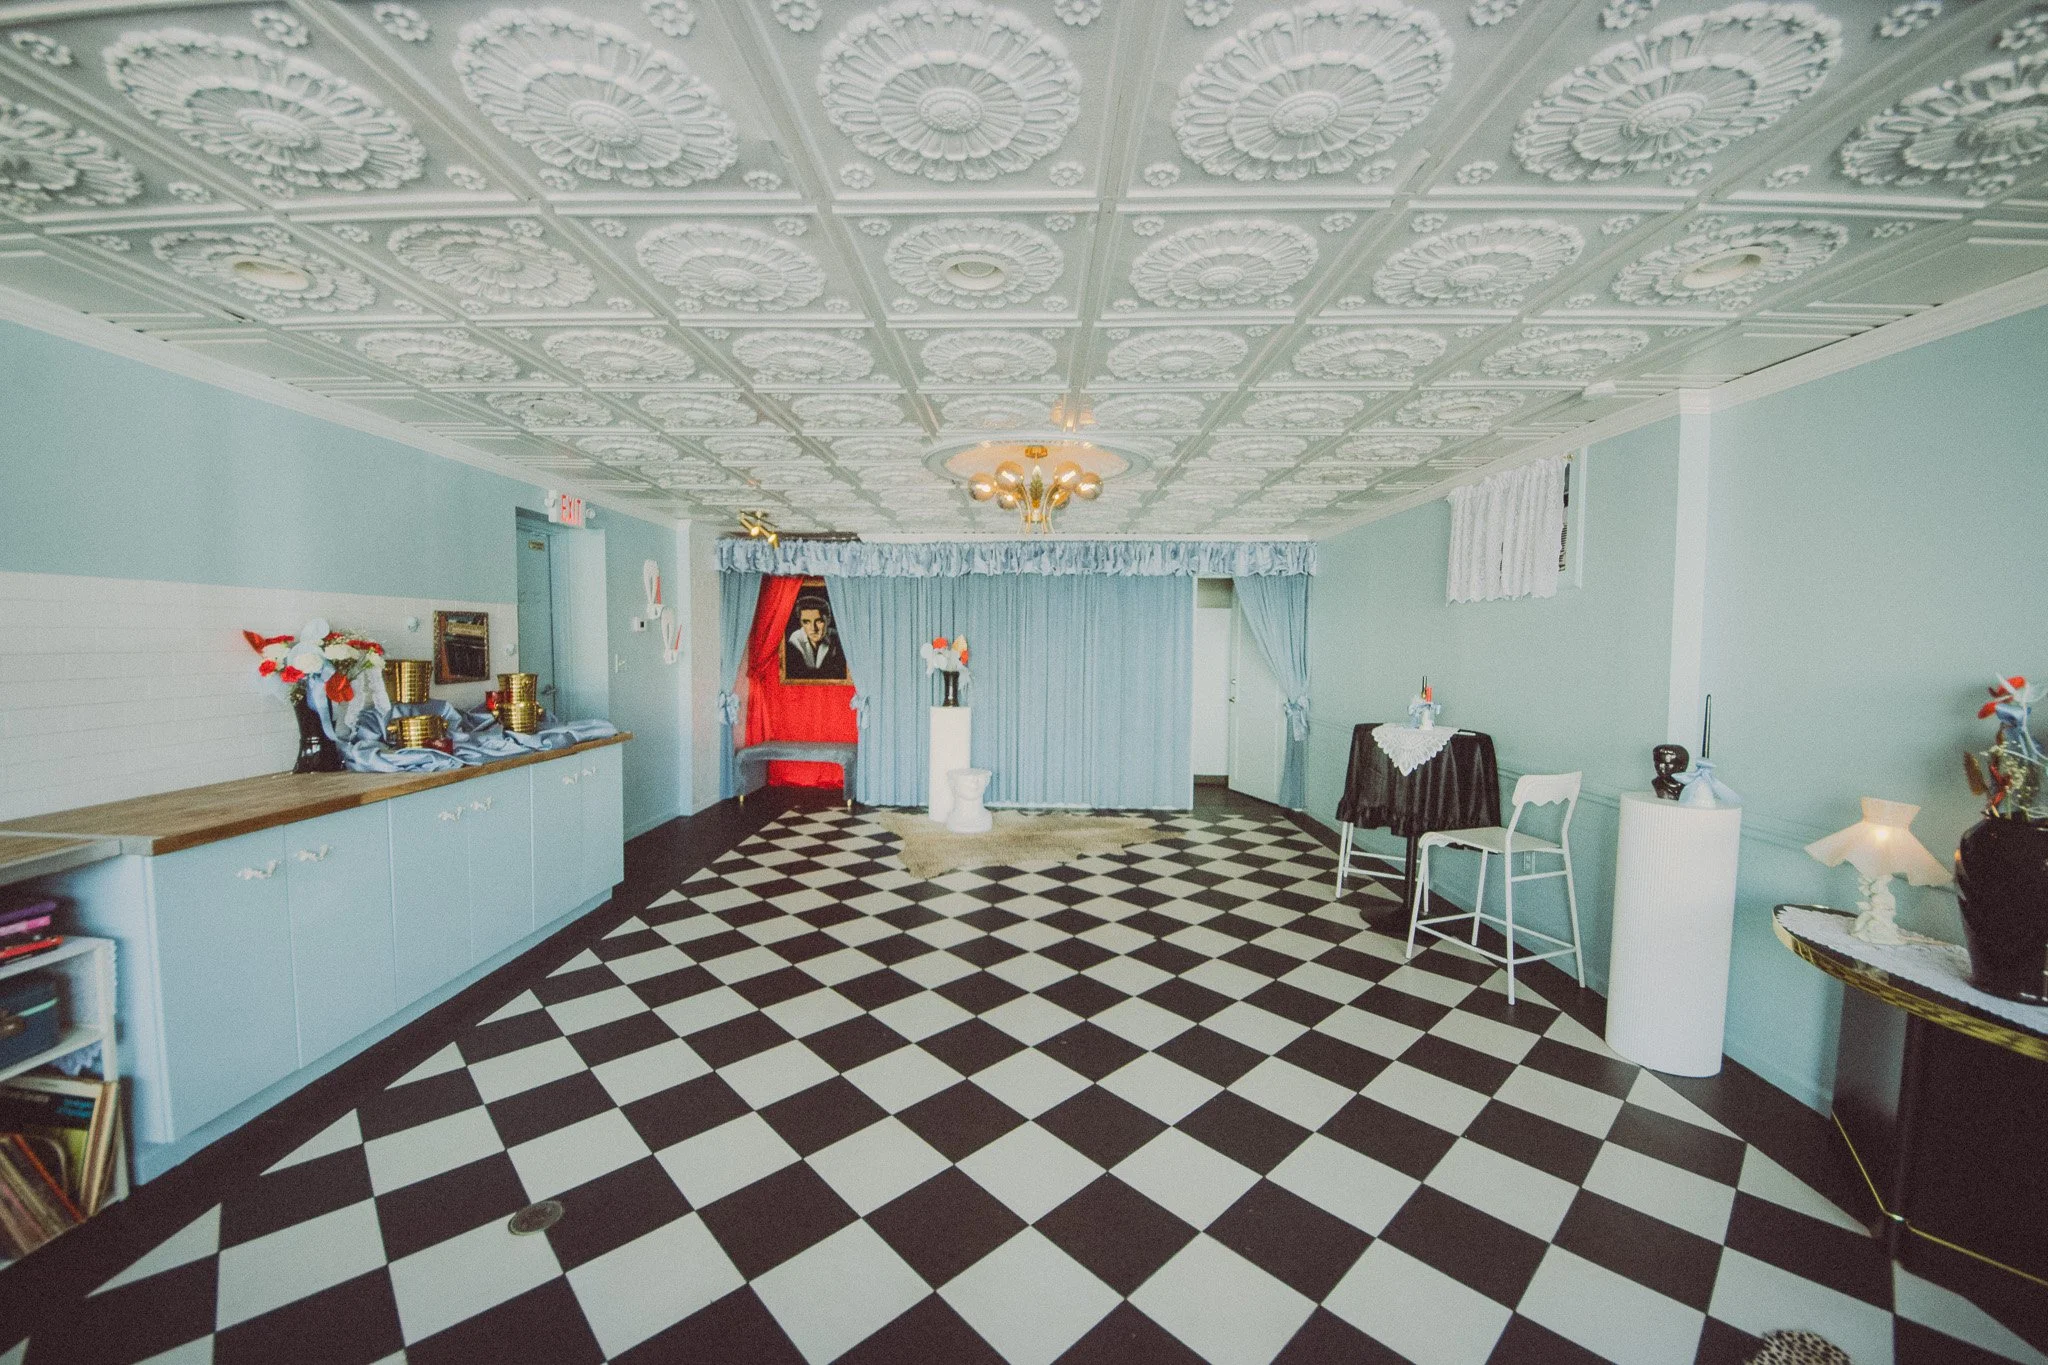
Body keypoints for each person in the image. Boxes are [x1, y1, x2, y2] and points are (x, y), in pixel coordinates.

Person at [783, 594, 843, 681]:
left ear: (829, 620)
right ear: (800, 622)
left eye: (819, 621)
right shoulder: (795, 640)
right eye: (806, 622)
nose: (813, 628)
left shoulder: (837, 638)